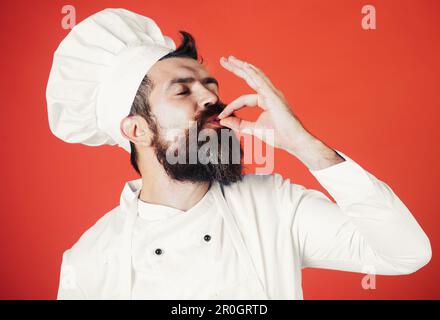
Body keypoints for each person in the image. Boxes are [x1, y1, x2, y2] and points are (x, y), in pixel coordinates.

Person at [46, 8, 431, 300]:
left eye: (208, 86)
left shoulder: (275, 205)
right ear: (137, 130)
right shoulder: (90, 261)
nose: (212, 97)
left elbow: (405, 254)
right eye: (183, 91)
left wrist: (304, 144)